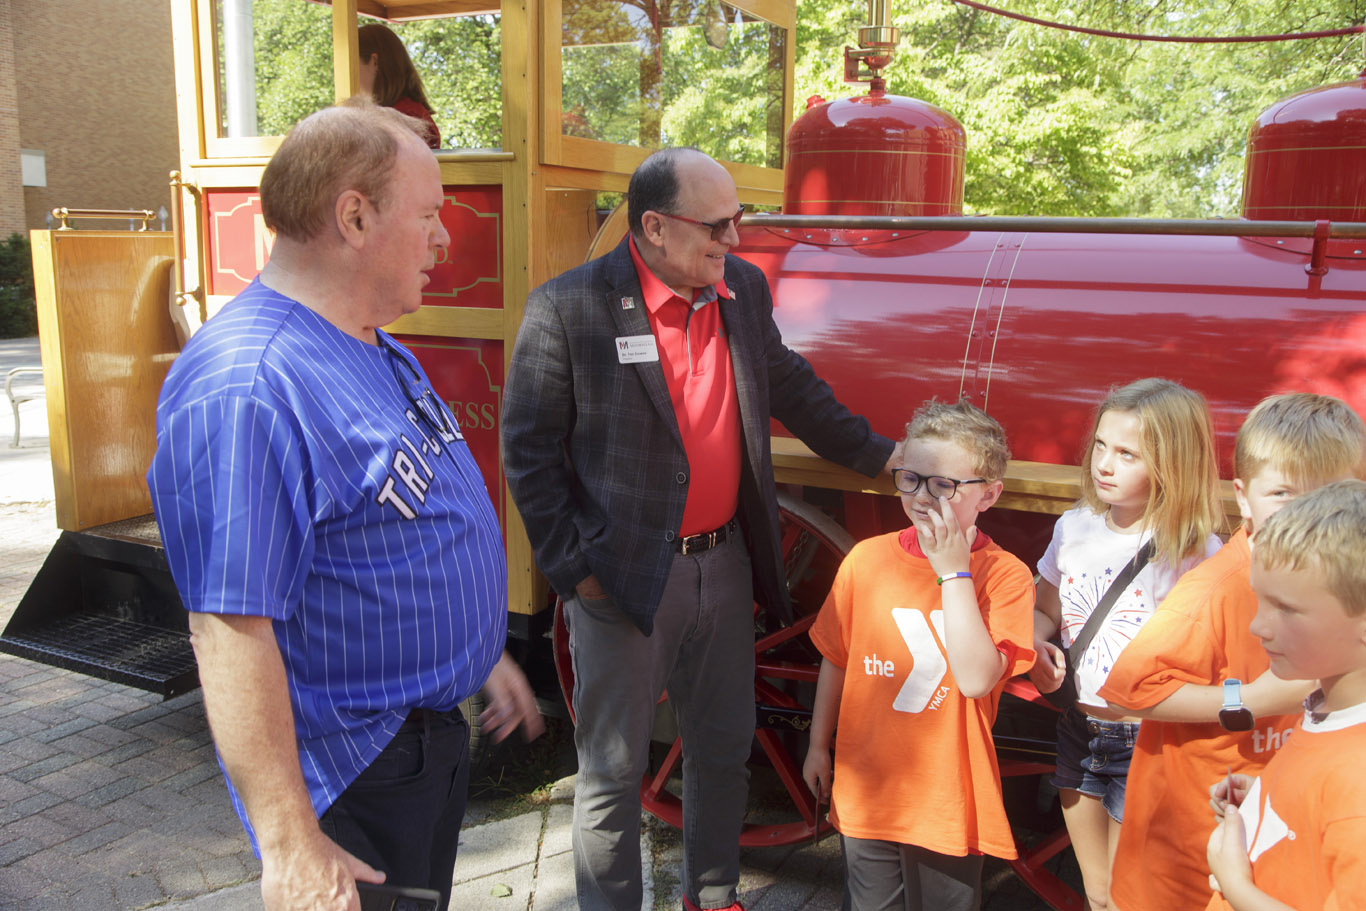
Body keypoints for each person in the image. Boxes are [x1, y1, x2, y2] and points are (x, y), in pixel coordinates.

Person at [146, 98, 542, 911]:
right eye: (428, 216)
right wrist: (291, 843)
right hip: (355, 769)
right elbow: (229, 626)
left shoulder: (369, 338)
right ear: (354, 217)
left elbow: (396, 524)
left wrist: (474, 650)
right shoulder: (249, 384)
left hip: (421, 740)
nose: (444, 240)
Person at [500, 147, 897, 911]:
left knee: (721, 749)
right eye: (717, 225)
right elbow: (528, 452)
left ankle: (712, 897)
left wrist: (882, 455)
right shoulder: (569, 307)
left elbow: (791, 385)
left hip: (725, 562)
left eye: (737, 220)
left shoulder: (740, 289)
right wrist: (577, 572)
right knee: (612, 775)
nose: (734, 239)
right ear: (654, 226)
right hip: (621, 577)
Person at [1098, 393, 1366, 911]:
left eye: (1328, 493)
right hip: (1187, 866)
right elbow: (1126, 690)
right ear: (1243, 497)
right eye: (1285, 493)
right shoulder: (1217, 589)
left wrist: (1273, 795)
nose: (1305, 512)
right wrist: (1251, 700)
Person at [801, 399, 1036, 911]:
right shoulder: (864, 560)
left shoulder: (1006, 576)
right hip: (867, 786)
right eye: (911, 479)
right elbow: (837, 658)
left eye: (944, 485)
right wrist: (818, 744)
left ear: (989, 494)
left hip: (946, 795)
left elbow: (976, 680)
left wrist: (954, 573)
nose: (923, 496)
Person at [1027, 378, 1224, 911]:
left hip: (1147, 740)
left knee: (1128, 895)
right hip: (1078, 728)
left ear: (1171, 463)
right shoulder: (1074, 527)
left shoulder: (1197, 551)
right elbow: (1046, 611)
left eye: (1127, 454)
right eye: (1100, 445)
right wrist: (1036, 645)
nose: (1104, 465)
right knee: (1096, 891)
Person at [1205, 479, 1366, 911]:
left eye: (1287, 609)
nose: (1258, 626)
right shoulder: (1329, 707)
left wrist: (1235, 884)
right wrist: (1269, 799)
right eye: (1262, 601)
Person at [358, 23, 441, 149]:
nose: (347, 74)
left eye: (353, 65)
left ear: (374, 62)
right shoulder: (401, 114)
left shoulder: (406, 118)